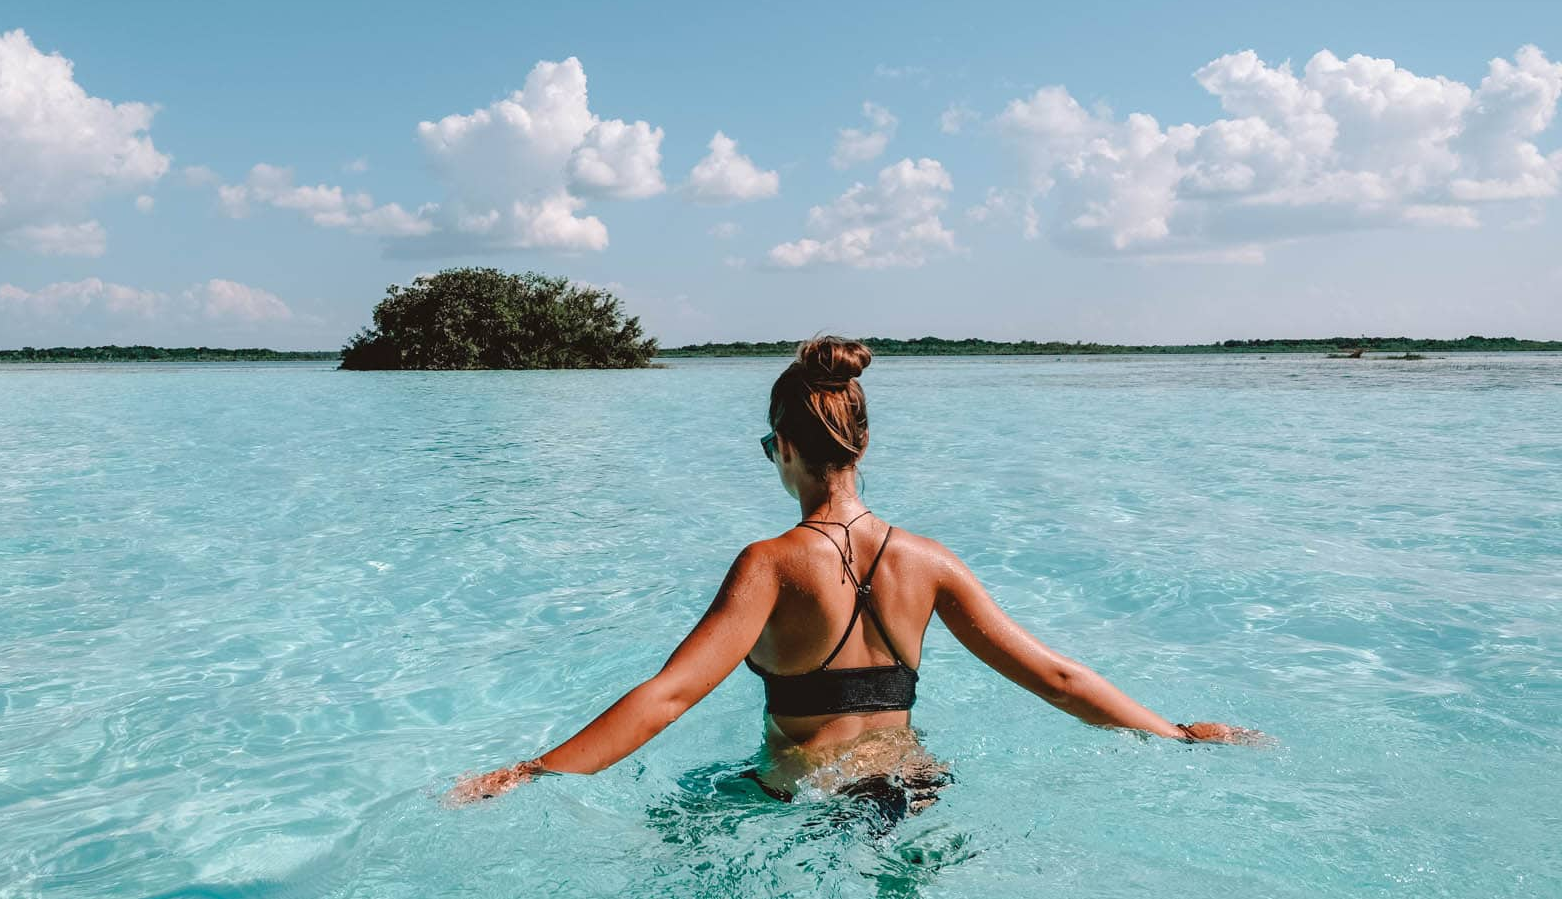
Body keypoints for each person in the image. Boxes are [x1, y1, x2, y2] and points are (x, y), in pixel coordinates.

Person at [450, 336, 1261, 807]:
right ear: (861, 444)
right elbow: (1055, 675)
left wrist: (534, 768)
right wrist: (1178, 732)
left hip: (805, 800)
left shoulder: (768, 565)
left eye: (771, 446)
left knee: (679, 829)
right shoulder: (929, 561)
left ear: (789, 448)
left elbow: (666, 696)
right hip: (917, 789)